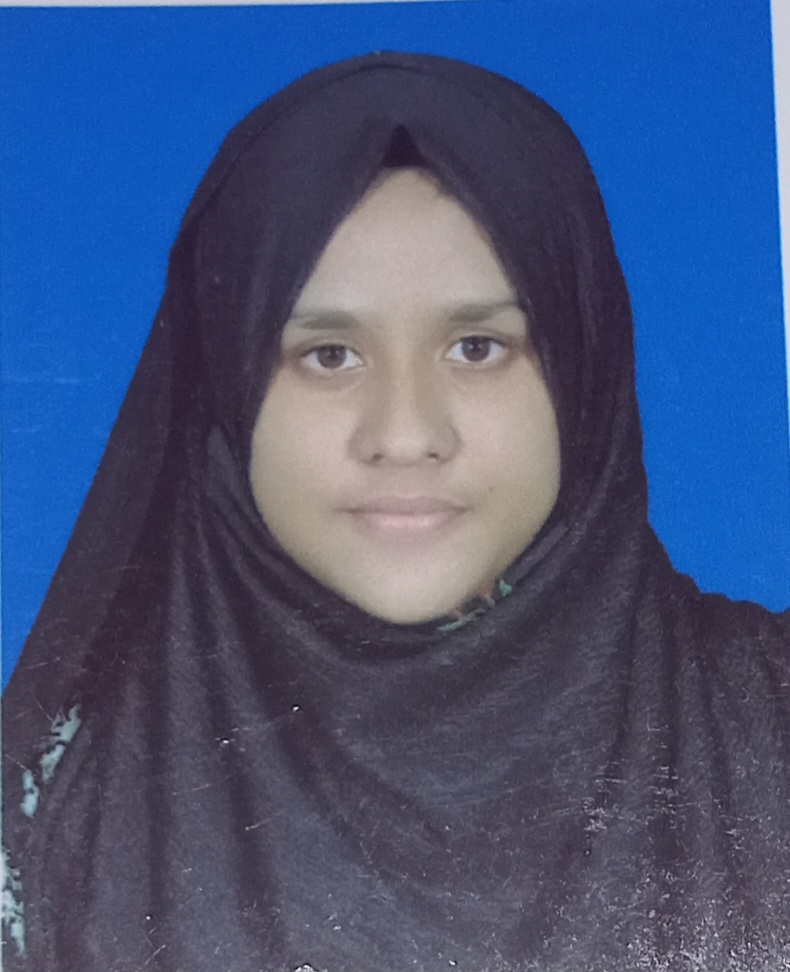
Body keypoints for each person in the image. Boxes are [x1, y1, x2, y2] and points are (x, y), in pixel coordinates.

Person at [2, 51, 789, 972]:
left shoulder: (771, 720)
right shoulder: (51, 826)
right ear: (225, 393)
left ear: (582, 373)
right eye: (329, 355)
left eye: (477, 346)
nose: (406, 434)